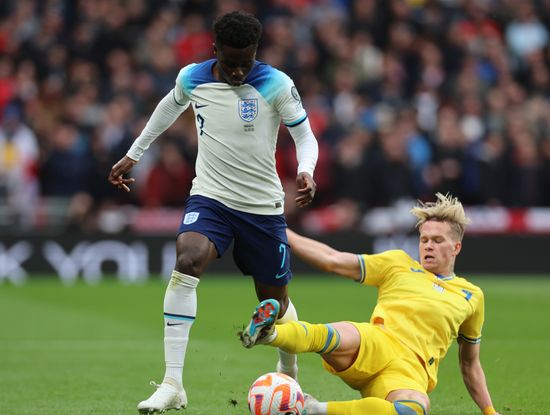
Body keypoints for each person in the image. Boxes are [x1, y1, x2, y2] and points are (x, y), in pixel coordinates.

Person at [107, 11, 318, 414]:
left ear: (256, 53)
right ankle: (172, 383)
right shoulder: (193, 77)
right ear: (214, 50)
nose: (239, 70)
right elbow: (166, 109)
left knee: (275, 302)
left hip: (262, 207)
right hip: (211, 197)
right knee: (187, 259)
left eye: (247, 61)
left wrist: (305, 170)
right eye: (231, 61)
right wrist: (133, 155)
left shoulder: (276, 83)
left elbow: (304, 137)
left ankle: (289, 369)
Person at [240, 193, 501, 415]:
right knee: (331, 334)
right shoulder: (398, 263)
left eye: (437, 240)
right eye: (424, 239)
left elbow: (470, 364)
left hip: (409, 372)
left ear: (456, 247)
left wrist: (490, 412)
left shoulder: (471, 296)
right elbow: (333, 259)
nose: (428, 246)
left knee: (414, 409)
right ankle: (268, 333)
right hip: (376, 342)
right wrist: (281, 232)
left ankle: (312, 409)